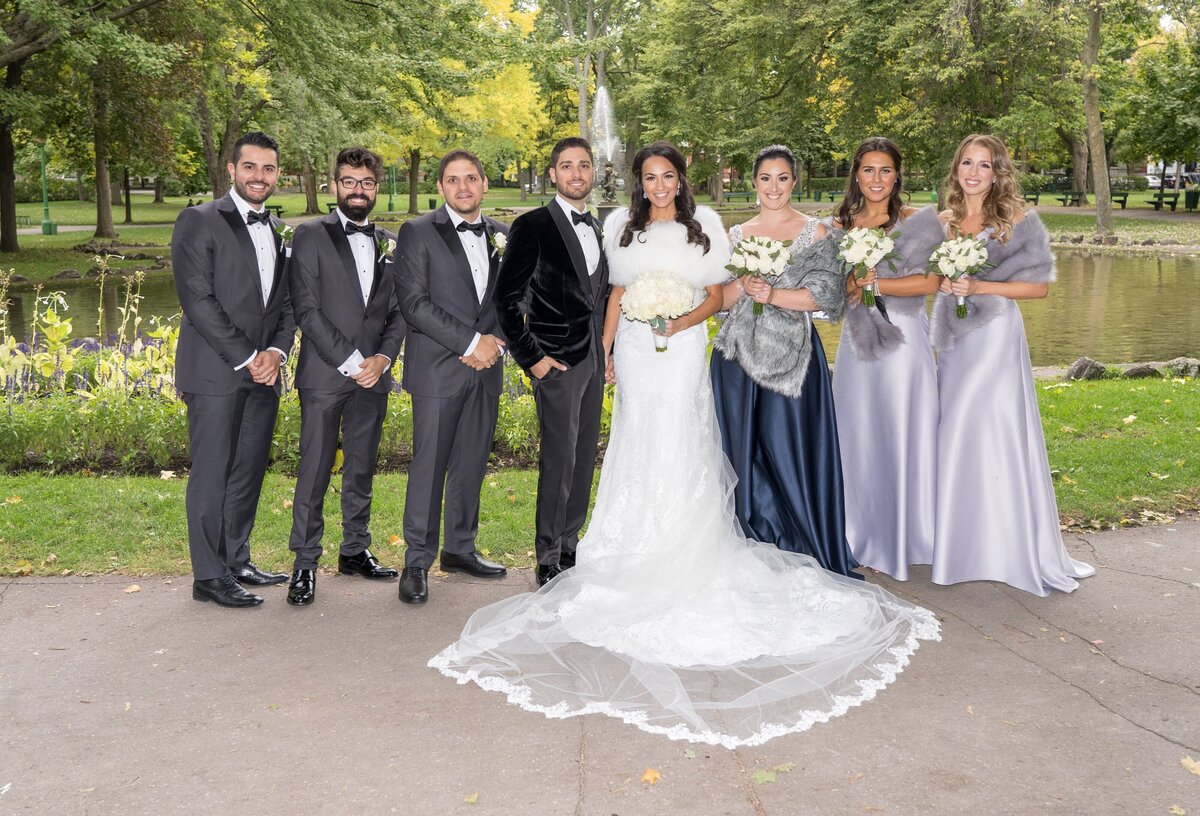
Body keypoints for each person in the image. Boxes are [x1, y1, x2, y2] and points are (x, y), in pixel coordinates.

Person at [429, 141, 940, 749]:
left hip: (685, 350)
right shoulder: (621, 226)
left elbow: (717, 295)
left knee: (686, 439)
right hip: (640, 359)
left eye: (668, 176)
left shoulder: (708, 230)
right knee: (636, 440)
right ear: (640, 183)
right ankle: (618, 538)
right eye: (649, 177)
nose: (659, 185)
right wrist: (611, 349)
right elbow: (616, 294)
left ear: (680, 180)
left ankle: (684, 537)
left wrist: (681, 322)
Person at [930, 133, 1094, 596]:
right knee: (955, 429)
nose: (974, 173)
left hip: (995, 336)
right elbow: (934, 276)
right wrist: (946, 283)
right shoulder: (944, 220)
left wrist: (979, 288)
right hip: (954, 334)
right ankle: (963, 543)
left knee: (992, 425)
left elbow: (1039, 288)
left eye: (984, 165)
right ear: (956, 168)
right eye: (967, 163)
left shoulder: (1019, 220)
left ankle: (1008, 543)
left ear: (998, 172)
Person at [709, 144, 857, 577]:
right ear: (754, 183)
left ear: (794, 182)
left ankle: (801, 537)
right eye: (765, 178)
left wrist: (773, 294)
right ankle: (752, 538)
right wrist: (745, 286)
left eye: (783, 178)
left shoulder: (816, 233)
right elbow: (723, 301)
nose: (774, 187)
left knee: (788, 448)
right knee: (745, 451)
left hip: (795, 358)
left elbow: (826, 297)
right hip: (739, 359)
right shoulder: (737, 235)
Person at [172, 131, 294, 608]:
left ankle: (236, 559)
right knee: (212, 471)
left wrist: (277, 353)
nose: (259, 177)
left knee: (248, 469)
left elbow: (287, 304)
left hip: (265, 371)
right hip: (216, 373)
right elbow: (198, 301)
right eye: (250, 167)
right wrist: (249, 357)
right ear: (231, 170)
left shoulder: (281, 229)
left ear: (277, 175)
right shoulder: (198, 221)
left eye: (268, 169)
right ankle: (208, 576)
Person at [283, 146, 405, 607]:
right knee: (314, 470)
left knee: (361, 467)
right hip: (324, 375)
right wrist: (354, 362)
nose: (358, 190)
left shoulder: (392, 242)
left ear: (377, 189)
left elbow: (398, 314)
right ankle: (304, 563)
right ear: (335, 185)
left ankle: (354, 549)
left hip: (374, 377)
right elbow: (307, 310)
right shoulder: (310, 235)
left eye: (367, 183)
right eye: (350, 182)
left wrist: (383, 360)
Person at [394, 150, 510, 604]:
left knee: (471, 462)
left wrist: (494, 343)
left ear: (484, 183)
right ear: (440, 187)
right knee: (430, 466)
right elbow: (414, 303)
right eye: (452, 179)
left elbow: (512, 299)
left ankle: (460, 549)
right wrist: (470, 343)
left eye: (471, 178)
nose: (463, 187)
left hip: (487, 369)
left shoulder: (504, 236)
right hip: (439, 369)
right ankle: (417, 561)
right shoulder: (418, 233)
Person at [492, 137, 608, 586]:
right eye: (566, 166)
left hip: (593, 359)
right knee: (558, 458)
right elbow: (506, 299)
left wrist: (606, 353)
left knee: (583, 457)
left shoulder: (596, 225)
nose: (576, 174)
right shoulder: (533, 225)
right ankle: (547, 554)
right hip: (555, 361)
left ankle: (570, 544)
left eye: (583, 165)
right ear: (553, 175)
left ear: (592, 173)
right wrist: (533, 359)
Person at [829, 137, 943, 580]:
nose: (877, 179)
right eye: (868, 170)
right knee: (857, 431)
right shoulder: (840, 226)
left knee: (902, 428)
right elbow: (834, 292)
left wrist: (878, 285)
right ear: (856, 175)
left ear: (898, 176)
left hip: (905, 341)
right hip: (858, 342)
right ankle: (858, 532)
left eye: (886, 171)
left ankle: (909, 533)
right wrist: (854, 286)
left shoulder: (921, 222)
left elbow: (932, 283)